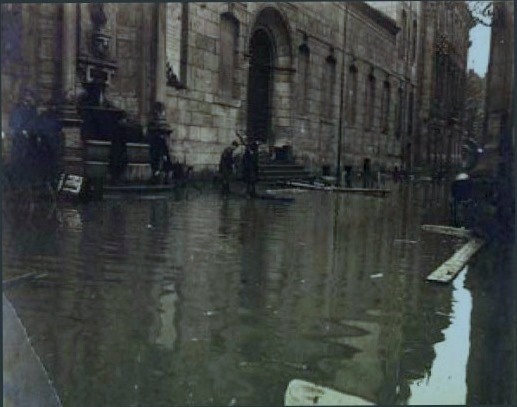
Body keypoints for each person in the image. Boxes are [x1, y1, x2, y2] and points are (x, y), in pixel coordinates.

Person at [109, 114, 128, 185]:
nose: (125, 121)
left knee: (117, 165)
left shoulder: (117, 128)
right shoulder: (119, 129)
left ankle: (115, 179)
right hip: (118, 151)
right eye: (124, 119)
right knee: (117, 165)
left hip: (117, 150)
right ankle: (116, 180)